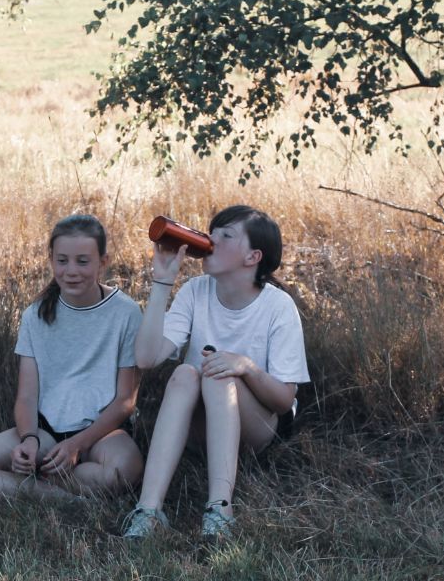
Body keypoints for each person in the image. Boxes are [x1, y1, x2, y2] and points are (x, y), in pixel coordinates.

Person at [122, 205, 309, 541]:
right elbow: (147, 358)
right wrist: (162, 282)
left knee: (218, 375)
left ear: (253, 257)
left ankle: (220, 509)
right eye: (213, 231)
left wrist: (246, 367)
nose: (211, 239)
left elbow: (284, 401)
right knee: (184, 373)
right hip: (200, 427)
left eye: (226, 235)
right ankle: (148, 510)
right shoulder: (195, 291)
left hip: (257, 428)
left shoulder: (278, 306)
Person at [0, 214, 144, 499]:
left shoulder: (126, 312)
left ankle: (41, 479)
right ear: (51, 260)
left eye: (83, 261)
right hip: (46, 431)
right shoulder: (35, 315)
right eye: (62, 261)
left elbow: (125, 400)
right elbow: (27, 396)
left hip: (102, 433)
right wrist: (29, 440)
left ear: (103, 262)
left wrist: (76, 445)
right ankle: (56, 496)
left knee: (123, 472)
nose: (71, 271)